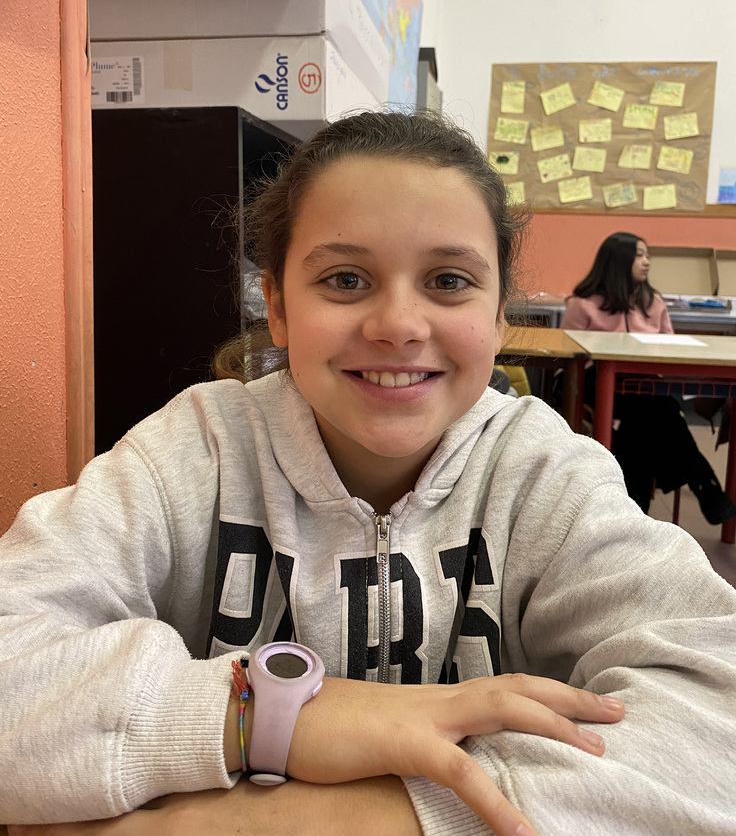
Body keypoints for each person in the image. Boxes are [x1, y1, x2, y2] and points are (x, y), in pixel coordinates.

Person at [1, 113, 736, 836]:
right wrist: (271, 716)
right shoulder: (196, 453)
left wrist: (286, 822)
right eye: (346, 279)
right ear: (278, 306)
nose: (399, 326)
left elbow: (715, 721)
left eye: (448, 280)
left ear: (498, 314)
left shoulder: (545, 474)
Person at [561, 231, 736, 524]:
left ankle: (633, 512)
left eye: (647, 255)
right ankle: (705, 486)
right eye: (639, 255)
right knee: (659, 409)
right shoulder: (583, 303)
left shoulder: (653, 302)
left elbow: (669, 352)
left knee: (644, 422)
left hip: (645, 386)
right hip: (597, 382)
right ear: (618, 260)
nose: (647, 262)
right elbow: (568, 356)